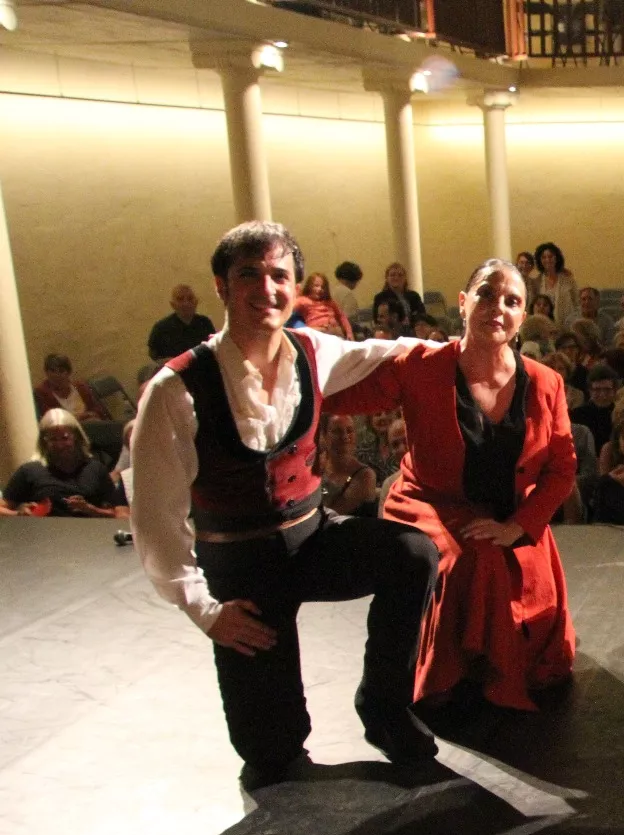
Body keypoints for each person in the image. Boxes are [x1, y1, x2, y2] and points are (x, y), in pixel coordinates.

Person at [131, 221, 441, 789]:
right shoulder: (175, 391)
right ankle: (275, 734)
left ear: (297, 288)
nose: (267, 288)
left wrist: (463, 349)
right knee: (271, 754)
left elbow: (384, 352)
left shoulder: (312, 350)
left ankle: (383, 705)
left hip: (310, 538)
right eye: (249, 274)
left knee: (413, 554)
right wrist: (206, 611)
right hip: (242, 569)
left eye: (280, 275)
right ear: (221, 286)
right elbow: (155, 519)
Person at [324, 257, 577, 719]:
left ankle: (487, 665)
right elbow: (339, 396)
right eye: (485, 293)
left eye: (512, 300)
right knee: (472, 558)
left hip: (508, 511)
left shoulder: (547, 382)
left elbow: (562, 470)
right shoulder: (420, 366)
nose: (497, 307)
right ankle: (458, 674)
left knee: (495, 554)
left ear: (523, 316)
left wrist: (518, 526)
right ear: (463, 303)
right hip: (430, 501)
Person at [2, 408, 120, 517]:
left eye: (65, 438)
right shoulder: (29, 471)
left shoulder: (96, 469)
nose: (60, 445)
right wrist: (18, 514)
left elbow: (117, 514)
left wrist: (90, 509)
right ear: (44, 442)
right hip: (44, 535)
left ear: (76, 438)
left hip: (88, 534)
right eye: (53, 439)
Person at [317, 414, 378, 517]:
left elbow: (335, 515)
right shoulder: (316, 468)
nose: (345, 436)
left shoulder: (365, 475)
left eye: (349, 430)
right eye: (337, 431)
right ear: (324, 435)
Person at [147, 284, 216, 363]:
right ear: (172, 304)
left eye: (190, 299)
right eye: (180, 299)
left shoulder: (205, 323)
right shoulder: (161, 328)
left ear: (196, 302)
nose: (186, 303)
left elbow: (213, 349)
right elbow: (154, 355)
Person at [33, 353, 111, 421]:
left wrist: (91, 415)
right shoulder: (41, 392)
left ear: (68, 372)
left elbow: (98, 410)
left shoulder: (81, 387)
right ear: (46, 372)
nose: (56, 375)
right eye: (52, 371)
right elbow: (52, 419)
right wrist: (81, 418)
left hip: (91, 424)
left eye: (61, 371)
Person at [529, 242, 578, 326]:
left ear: (556, 258)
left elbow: (577, 303)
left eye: (550, 256)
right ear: (540, 260)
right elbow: (532, 307)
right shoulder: (536, 281)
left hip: (567, 324)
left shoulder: (568, 279)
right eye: (544, 257)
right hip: (544, 326)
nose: (547, 260)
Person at [570, 364, 619, 446]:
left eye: (607, 390)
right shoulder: (577, 415)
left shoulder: (619, 415)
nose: (602, 395)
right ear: (590, 390)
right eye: (597, 390)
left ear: (614, 390)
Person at [372, 262, 425, 336]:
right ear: (387, 278)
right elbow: (377, 320)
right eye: (392, 275)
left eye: (400, 275)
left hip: (413, 330)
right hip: (390, 331)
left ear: (405, 278)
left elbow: (421, 315)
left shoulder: (414, 296)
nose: (396, 278)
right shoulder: (380, 297)